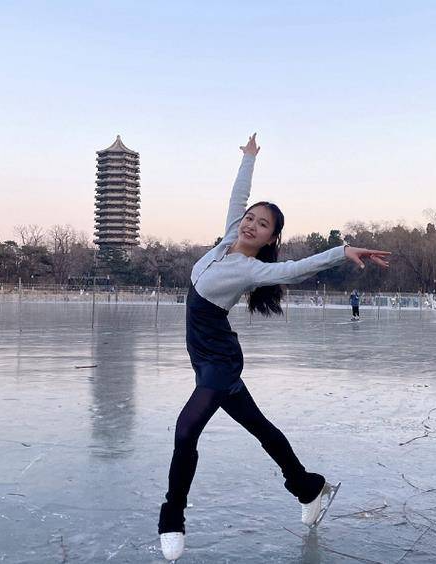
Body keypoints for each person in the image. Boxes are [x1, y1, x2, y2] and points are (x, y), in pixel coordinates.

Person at [158, 134, 390, 561]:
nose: (250, 224)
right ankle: (307, 486)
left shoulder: (251, 269)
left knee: (186, 429)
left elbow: (298, 269)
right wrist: (248, 159)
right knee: (260, 428)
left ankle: (172, 515)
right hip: (204, 354)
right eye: (250, 218)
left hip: (219, 361)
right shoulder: (229, 235)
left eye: (261, 225)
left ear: (269, 239)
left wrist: (342, 252)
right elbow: (238, 194)